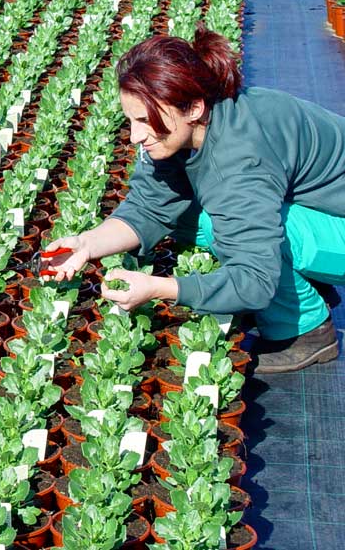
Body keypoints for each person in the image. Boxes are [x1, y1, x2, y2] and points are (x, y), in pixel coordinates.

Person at [42, 25, 345, 373]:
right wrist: (86, 244)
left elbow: (255, 279)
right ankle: (309, 283)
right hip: (325, 211)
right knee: (192, 215)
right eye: (130, 120)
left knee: (221, 224)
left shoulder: (240, 158)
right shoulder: (190, 129)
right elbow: (148, 206)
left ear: (194, 108)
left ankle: (305, 330)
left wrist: (160, 288)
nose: (135, 136)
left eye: (145, 120)